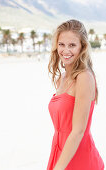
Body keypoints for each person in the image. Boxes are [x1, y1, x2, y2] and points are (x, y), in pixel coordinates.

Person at [47, 19, 104, 170]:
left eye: (72, 45)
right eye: (61, 44)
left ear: (82, 47)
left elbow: (78, 131)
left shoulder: (84, 77)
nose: (66, 50)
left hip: (80, 156)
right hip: (60, 151)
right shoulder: (62, 78)